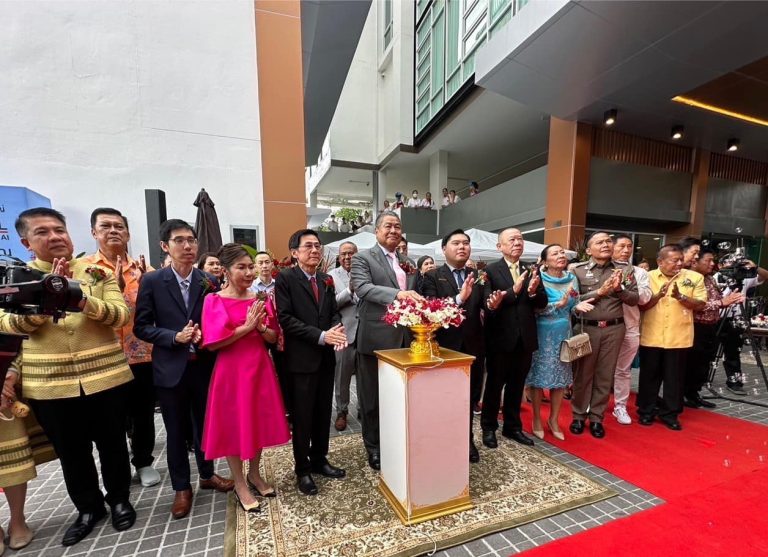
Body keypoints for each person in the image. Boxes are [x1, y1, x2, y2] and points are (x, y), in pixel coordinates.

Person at [0, 208, 136, 546]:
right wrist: (45, 303)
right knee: (72, 454)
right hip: (50, 386)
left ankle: (119, 499)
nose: (55, 237)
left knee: (113, 445)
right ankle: (89, 509)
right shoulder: (14, 279)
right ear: (26, 242)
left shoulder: (95, 273)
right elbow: (8, 325)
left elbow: (120, 315)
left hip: (106, 378)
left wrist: (78, 298)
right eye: (43, 232)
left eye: (59, 230)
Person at [134, 219, 234, 520]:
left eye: (191, 240)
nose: (188, 246)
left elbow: (216, 318)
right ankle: (181, 487)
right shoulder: (153, 281)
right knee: (176, 431)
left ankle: (207, 474)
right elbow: (141, 326)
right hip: (170, 368)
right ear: (165, 246)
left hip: (203, 366)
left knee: (205, 425)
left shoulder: (209, 280)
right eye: (180, 240)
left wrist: (207, 334)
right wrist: (173, 337)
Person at [200, 244, 290, 512]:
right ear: (226, 271)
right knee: (233, 426)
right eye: (242, 267)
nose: (249, 272)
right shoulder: (214, 300)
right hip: (231, 371)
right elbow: (214, 343)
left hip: (259, 367)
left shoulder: (260, 298)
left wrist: (260, 328)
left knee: (257, 420)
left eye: (251, 266)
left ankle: (254, 473)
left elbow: (273, 337)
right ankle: (239, 483)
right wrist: (247, 327)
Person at [83, 208, 160, 487]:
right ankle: (115, 470)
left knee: (143, 413)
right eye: (106, 226)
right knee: (110, 418)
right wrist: (111, 290)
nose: (113, 231)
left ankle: (143, 461)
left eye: (119, 226)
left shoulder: (145, 271)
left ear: (127, 234)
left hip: (142, 353)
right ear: (94, 232)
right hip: (103, 356)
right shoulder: (85, 270)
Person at [275, 230, 348, 495]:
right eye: (308, 246)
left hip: (325, 358)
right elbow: (286, 318)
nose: (315, 250)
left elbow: (334, 312)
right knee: (303, 416)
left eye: (318, 246)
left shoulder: (325, 279)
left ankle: (319, 459)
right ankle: (302, 469)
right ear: (295, 252)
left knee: (322, 413)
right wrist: (321, 336)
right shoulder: (285, 278)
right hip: (301, 360)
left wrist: (336, 330)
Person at [350, 211, 423, 470]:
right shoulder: (363, 258)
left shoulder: (407, 261)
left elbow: (416, 294)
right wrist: (398, 294)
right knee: (372, 398)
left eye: (397, 226)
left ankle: (396, 442)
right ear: (377, 231)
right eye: (388, 226)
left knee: (399, 396)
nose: (393, 230)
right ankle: (374, 447)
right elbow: (363, 288)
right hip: (375, 339)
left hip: (405, 338)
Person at [421, 230, 486, 462]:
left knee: (468, 398)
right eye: (456, 243)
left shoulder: (478, 275)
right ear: (444, 249)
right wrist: (459, 299)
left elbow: (486, 304)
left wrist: (493, 304)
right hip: (445, 346)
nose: (462, 247)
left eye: (466, 243)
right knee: (444, 397)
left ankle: (466, 439)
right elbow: (431, 309)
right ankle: (441, 439)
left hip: (473, 346)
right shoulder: (431, 276)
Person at [481, 228, 547, 449]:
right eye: (512, 239)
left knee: (517, 386)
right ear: (499, 246)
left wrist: (532, 292)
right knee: (494, 385)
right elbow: (488, 305)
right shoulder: (490, 270)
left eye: (520, 239)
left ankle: (512, 426)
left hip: (525, 338)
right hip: (500, 339)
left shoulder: (531, 269)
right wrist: (514, 290)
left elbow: (542, 302)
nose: (518, 242)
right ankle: (489, 427)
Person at [570, 232, 638, 438]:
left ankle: (597, 418)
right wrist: (599, 292)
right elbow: (573, 300)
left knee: (605, 375)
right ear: (588, 250)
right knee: (582, 374)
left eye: (608, 241)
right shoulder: (577, 270)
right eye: (599, 242)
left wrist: (619, 289)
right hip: (586, 329)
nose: (606, 245)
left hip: (614, 329)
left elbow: (634, 299)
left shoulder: (624, 270)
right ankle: (578, 415)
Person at [527, 245, 594, 441]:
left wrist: (577, 307)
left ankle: (554, 420)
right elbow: (532, 308)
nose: (560, 255)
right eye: (555, 253)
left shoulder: (571, 278)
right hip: (541, 334)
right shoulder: (537, 278)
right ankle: (537, 419)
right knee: (538, 380)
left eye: (562, 252)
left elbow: (573, 304)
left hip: (564, 334)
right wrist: (558, 304)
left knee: (560, 381)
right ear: (545, 261)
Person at [638, 245, 706, 430]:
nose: (679, 264)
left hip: (679, 337)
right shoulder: (647, 277)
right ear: (660, 262)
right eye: (674, 260)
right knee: (649, 377)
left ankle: (670, 414)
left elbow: (701, 304)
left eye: (681, 260)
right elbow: (640, 306)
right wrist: (658, 296)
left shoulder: (694, 277)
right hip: (651, 335)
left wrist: (681, 297)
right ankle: (646, 411)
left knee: (674, 379)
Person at [0, 355, 56, 552]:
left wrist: (7, 376)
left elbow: (16, 340)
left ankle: (17, 521)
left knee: (11, 458)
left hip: (4, 385)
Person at [684, 248, 744, 408]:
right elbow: (693, 304)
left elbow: (718, 300)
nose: (712, 264)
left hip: (711, 326)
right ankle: (683, 395)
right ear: (695, 262)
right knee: (692, 363)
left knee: (704, 362)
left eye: (713, 260)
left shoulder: (710, 278)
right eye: (708, 260)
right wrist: (721, 303)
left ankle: (694, 393)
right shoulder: (688, 278)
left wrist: (731, 298)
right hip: (695, 326)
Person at [610, 234, 652, 425]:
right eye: (621, 246)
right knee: (598, 369)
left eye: (629, 246)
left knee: (623, 370)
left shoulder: (639, 272)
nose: (626, 250)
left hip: (630, 326)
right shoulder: (603, 269)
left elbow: (644, 298)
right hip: (606, 326)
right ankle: (593, 405)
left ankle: (620, 406)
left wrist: (623, 287)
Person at [714, 257, 768, 394]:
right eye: (729, 262)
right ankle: (701, 379)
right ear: (720, 265)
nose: (733, 265)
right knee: (709, 351)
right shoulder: (714, 278)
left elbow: (765, 276)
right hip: (716, 318)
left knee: (733, 352)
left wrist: (754, 267)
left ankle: (734, 382)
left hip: (736, 319)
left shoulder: (744, 278)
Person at [328, 242, 359, 431]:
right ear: (339, 257)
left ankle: (364, 409)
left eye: (351, 253)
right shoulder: (331, 277)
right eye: (344, 254)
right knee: (342, 376)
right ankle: (342, 411)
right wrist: (349, 290)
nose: (347, 257)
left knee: (366, 375)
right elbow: (331, 304)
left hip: (366, 332)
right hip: (343, 333)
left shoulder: (367, 273)